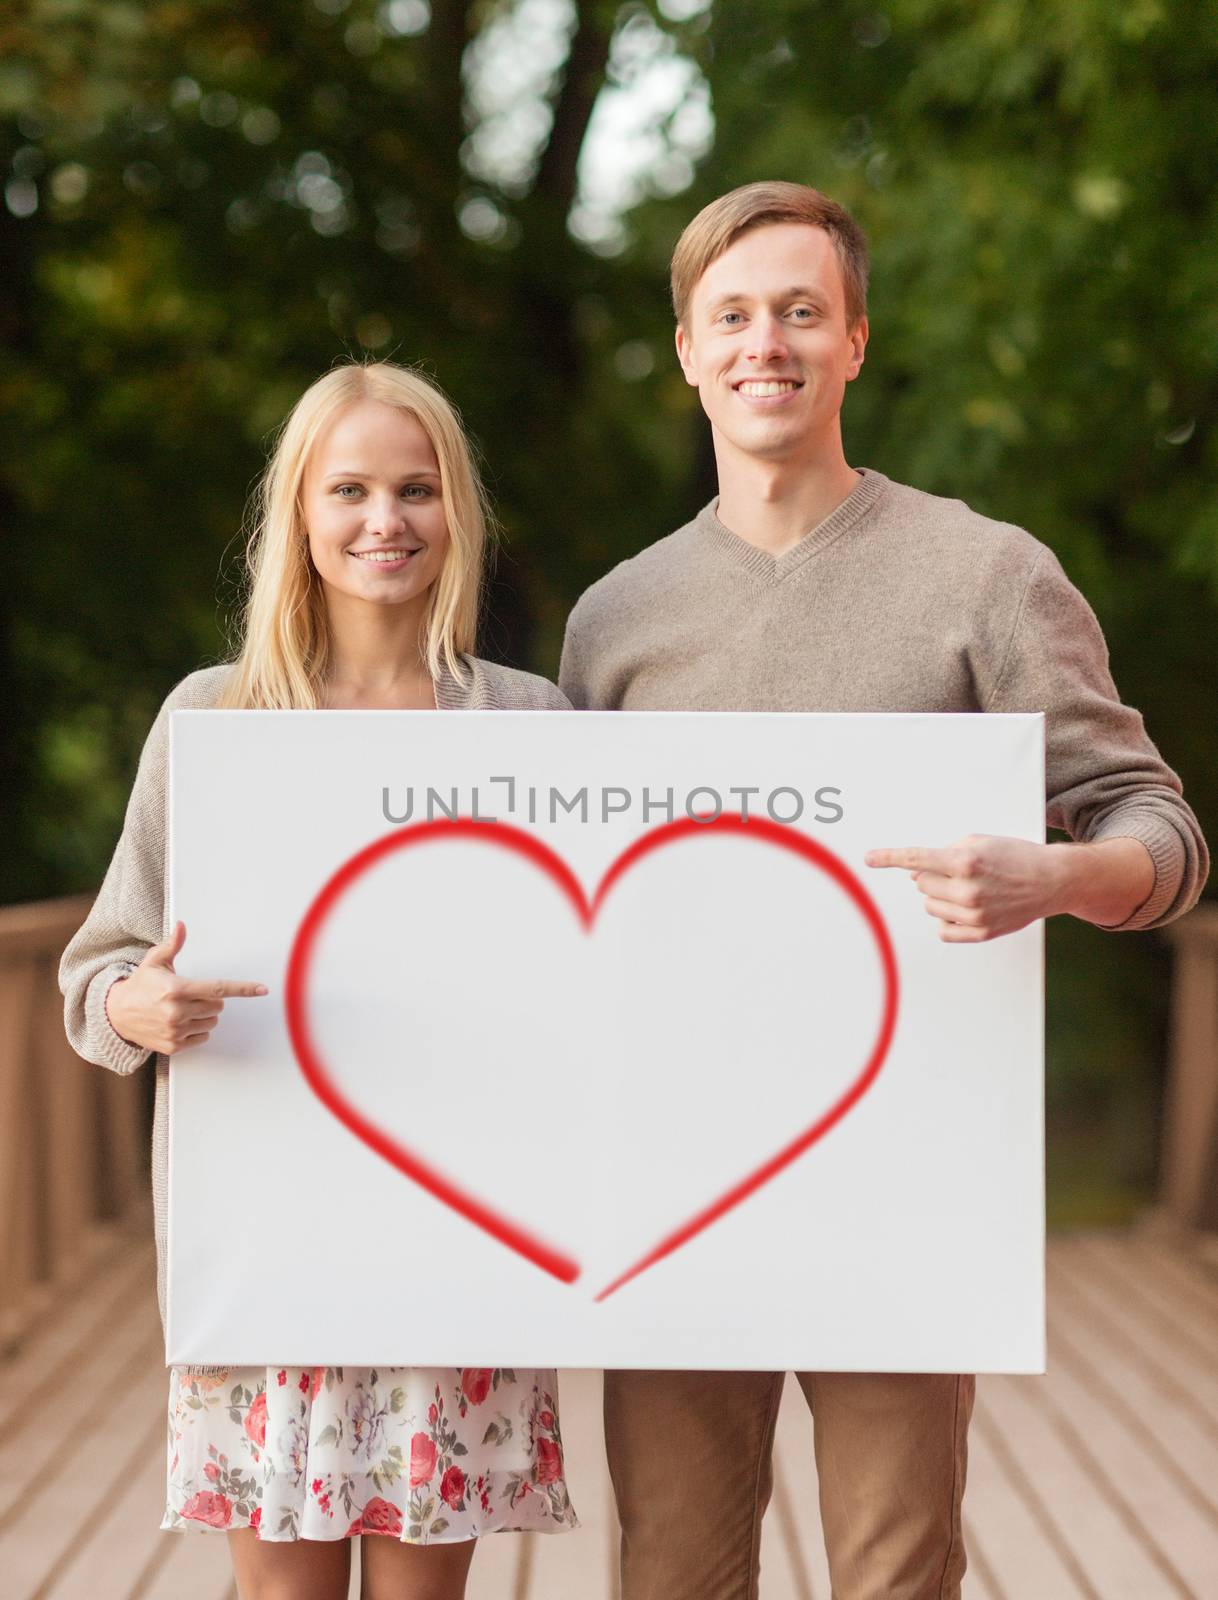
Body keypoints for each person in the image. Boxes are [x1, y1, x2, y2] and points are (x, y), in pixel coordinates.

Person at [558, 181, 1208, 1600]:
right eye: (730, 316)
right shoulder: (614, 621)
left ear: (853, 339)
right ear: (683, 349)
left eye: (800, 311)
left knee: (895, 1570)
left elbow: (1160, 832)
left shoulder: (984, 575)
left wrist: (1056, 875)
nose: (764, 343)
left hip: (906, 1171)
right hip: (680, 1180)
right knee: (668, 1569)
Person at [60, 361, 578, 1600]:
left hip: (459, 1247)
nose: (384, 519)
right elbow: (98, 968)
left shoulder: (530, 725)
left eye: (417, 488)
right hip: (270, 1253)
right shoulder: (213, 719)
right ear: (298, 512)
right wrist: (135, 1005)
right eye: (348, 489)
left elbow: (579, 988)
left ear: (459, 514)